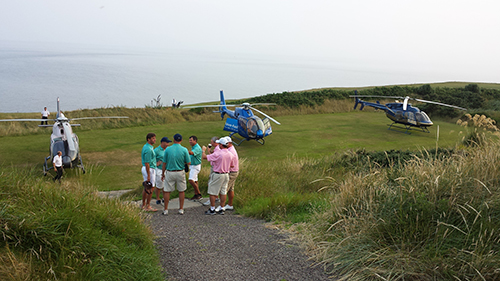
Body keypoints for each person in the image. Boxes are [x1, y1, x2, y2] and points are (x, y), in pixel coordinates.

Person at [202, 137, 234, 215]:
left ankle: (212, 208)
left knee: (212, 191)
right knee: (223, 192)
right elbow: (232, 166)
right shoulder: (230, 154)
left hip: (218, 174)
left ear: (221, 145)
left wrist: (203, 150)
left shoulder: (218, 153)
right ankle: (221, 208)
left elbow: (204, 157)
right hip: (226, 174)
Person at [161, 133, 190, 215]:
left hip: (170, 172)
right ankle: (181, 208)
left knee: (167, 191)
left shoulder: (167, 149)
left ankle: (166, 209)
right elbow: (189, 162)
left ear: (174, 140)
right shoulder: (184, 149)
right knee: (181, 191)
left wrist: (163, 174)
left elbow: (164, 163)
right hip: (180, 172)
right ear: (181, 140)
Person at [141, 133, 157, 212]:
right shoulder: (148, 149)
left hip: (149, 168)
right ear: (149, 139)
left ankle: (144, 204)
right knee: (151, 187)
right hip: (149, 169)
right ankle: (147, 205)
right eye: (153, 138)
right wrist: (148, 175)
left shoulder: (147, 147)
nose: (155, 140)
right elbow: (147, 162)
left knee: (147, 187)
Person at [154, 137, 172, 205]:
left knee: (166, 184)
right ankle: (158, 198)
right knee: (159, 185)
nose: (168, 144)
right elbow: (152, 159)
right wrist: (156, 164)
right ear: (162, 142)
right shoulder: (156, 150)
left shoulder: (168, 149)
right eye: (167, 143)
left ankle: (165, 198)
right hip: (159, 169)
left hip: (167, 169)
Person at [223, 136, 239, 211]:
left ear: (229, 143)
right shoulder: (230, 149)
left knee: (224, 188)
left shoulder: (230, 152)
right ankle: (230, 204)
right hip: (234, 171)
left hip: (231, 172)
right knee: (230, 189)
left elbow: (229, 164)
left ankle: (221, 206)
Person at [188, 135, 203, 200]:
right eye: (189, 140)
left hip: (195, 166)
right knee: (195, 181)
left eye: (191, 140)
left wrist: (184, 151)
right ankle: (196, 194)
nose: (190, 141)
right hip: (193, 166)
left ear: (195, 140)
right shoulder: (193, 147)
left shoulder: (196, 148)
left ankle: (199, 194)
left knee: (191, 180)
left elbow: (191, 153)